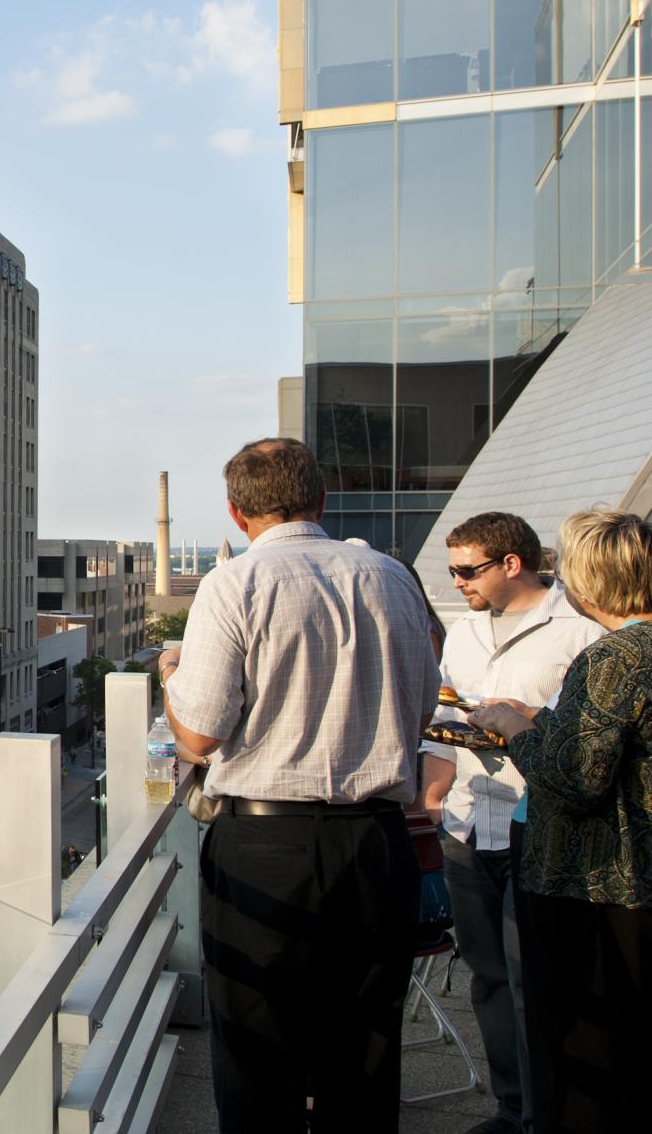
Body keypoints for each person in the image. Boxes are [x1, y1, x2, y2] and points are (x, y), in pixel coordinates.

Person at [159, 437, 437, 1132]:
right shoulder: (391, 576)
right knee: (366, 1048)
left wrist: (171, 675)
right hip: (378, 841)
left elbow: (198, 735)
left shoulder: (236, 582)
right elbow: (424, 703)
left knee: (258, 1050)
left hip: (266, 844)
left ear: (234, 512)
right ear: (322, 499)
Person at [418, 511, 599, 1134]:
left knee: (539, 983)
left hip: (537, 825)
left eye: (467, 571)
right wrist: (434, 790)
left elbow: (587, 737)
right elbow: (443, 720)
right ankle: (511, 1108)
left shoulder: (578, 631)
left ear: (511, 565)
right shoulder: (464, 632)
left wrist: (526, 720)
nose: (458, 581)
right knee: (489, 980)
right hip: (467, 823)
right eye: (453, 570)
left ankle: (549, 1112)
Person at [472, 509, 652, 1134]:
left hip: (594, 888)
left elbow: (577, 779)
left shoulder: (616, 657)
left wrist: (517, 729)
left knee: (584, 1064)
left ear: (589, 579)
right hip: (633, 885)